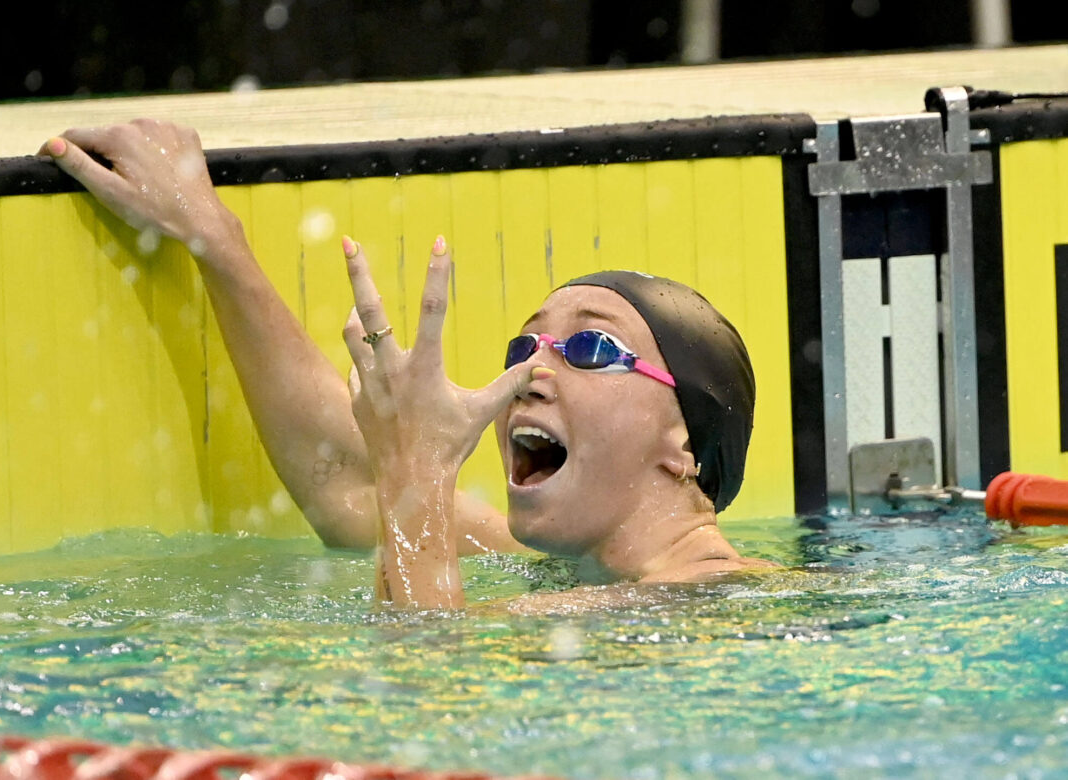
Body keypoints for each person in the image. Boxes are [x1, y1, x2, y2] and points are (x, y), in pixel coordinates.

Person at [40, 119, 773, 610]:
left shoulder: (703, 601)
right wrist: (211, 236)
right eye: (524, 348)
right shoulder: (569, 567)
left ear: (683, 443)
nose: (533, 374)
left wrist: (419, 464)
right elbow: (344, 476)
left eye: (590, 348)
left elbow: (422, 689)